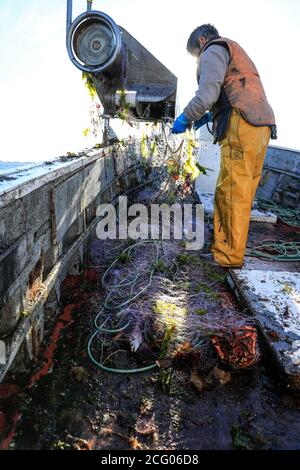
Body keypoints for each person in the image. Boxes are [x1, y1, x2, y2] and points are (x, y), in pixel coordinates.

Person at [172, 24, 276, 268]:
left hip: (241, 124)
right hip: (261, 125)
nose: (200, 59)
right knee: (241, 194)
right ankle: (232, 250)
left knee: (231, 193)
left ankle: (228, 257)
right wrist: (209, 116)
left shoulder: (212, 49)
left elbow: (207, 94)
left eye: (196, 55)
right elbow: (230, 90)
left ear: (201, 40)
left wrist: (186, 117)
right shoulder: (234, 49)